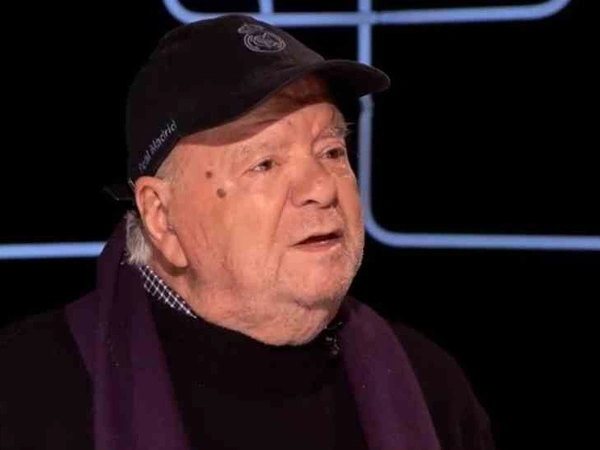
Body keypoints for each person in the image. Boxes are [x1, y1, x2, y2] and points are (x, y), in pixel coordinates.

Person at [0, 14, 495, 450]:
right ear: (162, 216)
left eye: (331, 152)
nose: (322, 188)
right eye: (264, 164)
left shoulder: (429, 387)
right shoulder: (27, 391)